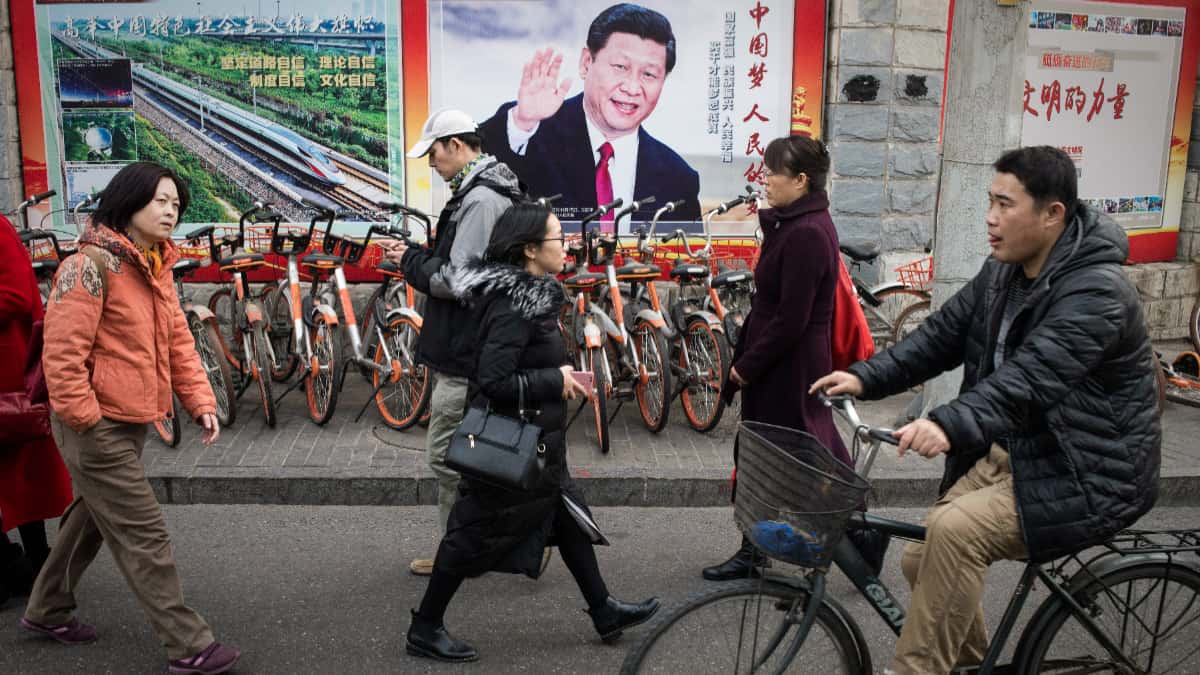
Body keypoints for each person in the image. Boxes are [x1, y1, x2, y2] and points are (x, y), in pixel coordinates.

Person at [811, 145, 1161, 675]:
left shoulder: (1096, 292)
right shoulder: (1004, 271)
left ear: (1052, 215)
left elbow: (1029, 380)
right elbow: (939, 336)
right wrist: (865, 376)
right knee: (919, 554)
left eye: (1005, 204)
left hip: (1089, 470)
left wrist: (948, 425)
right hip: (1021, 453)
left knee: (954, 534)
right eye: (989, 202)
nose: (991, 218)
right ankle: (971, 665)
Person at [405, 203, 660, 662]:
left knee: (569, 517)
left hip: (539, 442)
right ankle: (425, 627)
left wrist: (557, 375)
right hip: (510, 446)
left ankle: (603, 610)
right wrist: (554, 381)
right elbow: (491, 379)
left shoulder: (532, 294)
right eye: (557, 238)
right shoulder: (515, 305)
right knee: (468, 536)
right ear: (529, 250)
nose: (566, 246)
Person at [23, 162, 241, 675]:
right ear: (129, 201)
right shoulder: (89, 265)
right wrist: (87, 421)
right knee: (145, 533)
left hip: (130, 417)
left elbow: (177, 340)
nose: (171, 212)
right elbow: (62, 358)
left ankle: (46, 608)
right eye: (161, 201)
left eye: (176, 205)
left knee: (95, 517)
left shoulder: (153, 264)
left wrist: (201, 401)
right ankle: (190, 645)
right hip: (96, 425)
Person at [701, 135, 851, 582]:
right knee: (777, 453)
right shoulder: (796, 224)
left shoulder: (806, 233)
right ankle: (761, 546)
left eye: (772, 173)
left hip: (789, 366)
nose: (764, 180)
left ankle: (849, 532)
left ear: (801, 180)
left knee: (786, 456)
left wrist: (746, 366)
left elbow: (792, 319)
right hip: (785, 360)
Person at [380, 108, 524, 577]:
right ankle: (477, 544)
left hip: (467, 353)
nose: (432, 164)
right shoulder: (482, 192)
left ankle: (464, 549)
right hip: (474, 347)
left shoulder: (481, 200)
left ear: (457, 146)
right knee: (473, 459)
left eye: (435, 154)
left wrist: (410, 262)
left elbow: (460, 280)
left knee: (446, 455)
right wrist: (421, 258)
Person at [479, 2, 700, 227]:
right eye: (620, 67)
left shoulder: (679, 179)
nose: (632, 88)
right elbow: (467, 165)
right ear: (586, 63)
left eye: (649, 74)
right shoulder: (531, 131)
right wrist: (522, 123)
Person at [0, 214, 73, 606]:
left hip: (7, 373)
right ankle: (16, 564)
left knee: (21, 473)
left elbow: (17, 295)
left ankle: (37, 565)